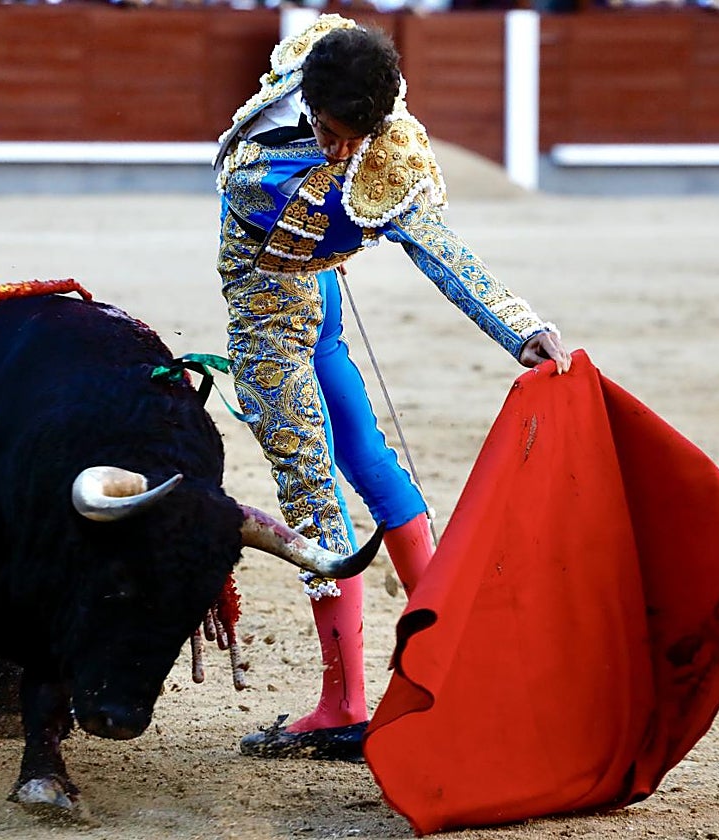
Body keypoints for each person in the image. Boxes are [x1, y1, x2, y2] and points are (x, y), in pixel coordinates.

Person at [214, 14, 571, 761]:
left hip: (279, 326)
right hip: (307, 309)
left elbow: (441, 250)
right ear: (309, 98)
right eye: (334, 132)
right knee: (363, 467)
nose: (345, 151)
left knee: (319, 494)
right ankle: (450, 662)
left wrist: (520, 329)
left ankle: (349, 703)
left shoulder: (375, 153)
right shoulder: (306, 71)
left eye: (357, 137)